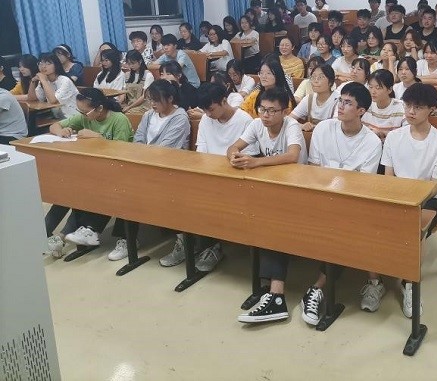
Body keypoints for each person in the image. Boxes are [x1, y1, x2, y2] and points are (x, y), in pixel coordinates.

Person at [300, 82, 383, 324]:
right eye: (340, 101)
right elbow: (314, 169)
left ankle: (322, 286)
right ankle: (319, 286)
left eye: (348, 103)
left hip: (353, 202)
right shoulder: (324, 129)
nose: (341, 106)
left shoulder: (371, 142)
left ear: (361, 111)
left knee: (347, 226)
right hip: (321, 196)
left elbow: (362, 185)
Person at [158, 83, 257, 270]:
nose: (208, 114)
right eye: (205, 110)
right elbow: (201, 151)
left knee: (207, 200)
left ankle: (211, 247)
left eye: (211, 109)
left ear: (224, 101)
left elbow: (247, 157)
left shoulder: (245, 120)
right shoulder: (206, 119)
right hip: (209, 174)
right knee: (175, 193)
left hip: (234, 177)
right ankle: (187, 242)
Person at [230, 87, 308, 324]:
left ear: (285, 111)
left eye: (272, 111)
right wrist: (234, 156)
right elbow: (234, 147)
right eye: (262, 109)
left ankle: (276, 295)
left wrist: (256, 162)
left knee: (273, 224)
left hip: (298, 191)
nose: (266, 115)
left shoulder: (291, 126)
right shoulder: (256, 124)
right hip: (271, 191)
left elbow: (293, 155)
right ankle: (269, 290)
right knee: (256, 217)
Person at [380, 83, 437, 316]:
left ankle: (411, 283)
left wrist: (412, 202)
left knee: (415, 229)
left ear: (431, 109)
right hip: (397, 194)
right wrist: (398, 198)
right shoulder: (394, 137)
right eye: (408, 105)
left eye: (418, 107)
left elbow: (435, 185)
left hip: (428, 197)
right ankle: (374, 278)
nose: (411, 111)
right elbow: (388, 176)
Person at [108, 79, 191, 261]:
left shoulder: (180, 118)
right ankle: (127, 239)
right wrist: (141, 157)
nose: (152, 104)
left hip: (169, 170)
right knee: (122, 186)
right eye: (150, 100)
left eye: (156, 100)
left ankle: (182, 241)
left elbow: (166, 149)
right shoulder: (148, 115)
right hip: (145, 166)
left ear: (170, 99)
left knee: (134, 188)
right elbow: (138, 139)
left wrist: (142, 156)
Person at [46, 89, 133, 255]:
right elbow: (54, 126)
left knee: (84, 191)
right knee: (66, 190)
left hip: (117, 171)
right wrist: (61, 131)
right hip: (93, 169)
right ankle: (53, 234)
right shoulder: (84, 117)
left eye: (85, 111)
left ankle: (68, 235)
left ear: (99, 108)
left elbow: (121, 152)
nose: (82, 115)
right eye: (80, 111)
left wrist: (97, 137)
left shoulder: (118, 119)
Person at [27, 52, 79, 118]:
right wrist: (33, 81)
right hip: (57, 116)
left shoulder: (65, 80)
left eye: (48, 64)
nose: (43, 66)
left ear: (56, 65)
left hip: (73, 116)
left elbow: (53, 100)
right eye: (40, 63)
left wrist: (43, 80)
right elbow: (32, 99)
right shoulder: (44, 81)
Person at [290, 64, 336, 131]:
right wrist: (302, 126)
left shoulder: (338, 100)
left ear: (330, 82)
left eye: (320, 77)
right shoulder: (309, 99)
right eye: (313, 77)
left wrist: (313, 127)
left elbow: (337, 126)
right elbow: (289, 120)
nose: (315, 80)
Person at [362, 69, 405, 141]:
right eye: (370, 87)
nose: (373, 92)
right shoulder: (366, 105)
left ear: (389, 89)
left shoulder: (401, 107)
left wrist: (381, 133)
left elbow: (407, 134)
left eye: (378, 88)